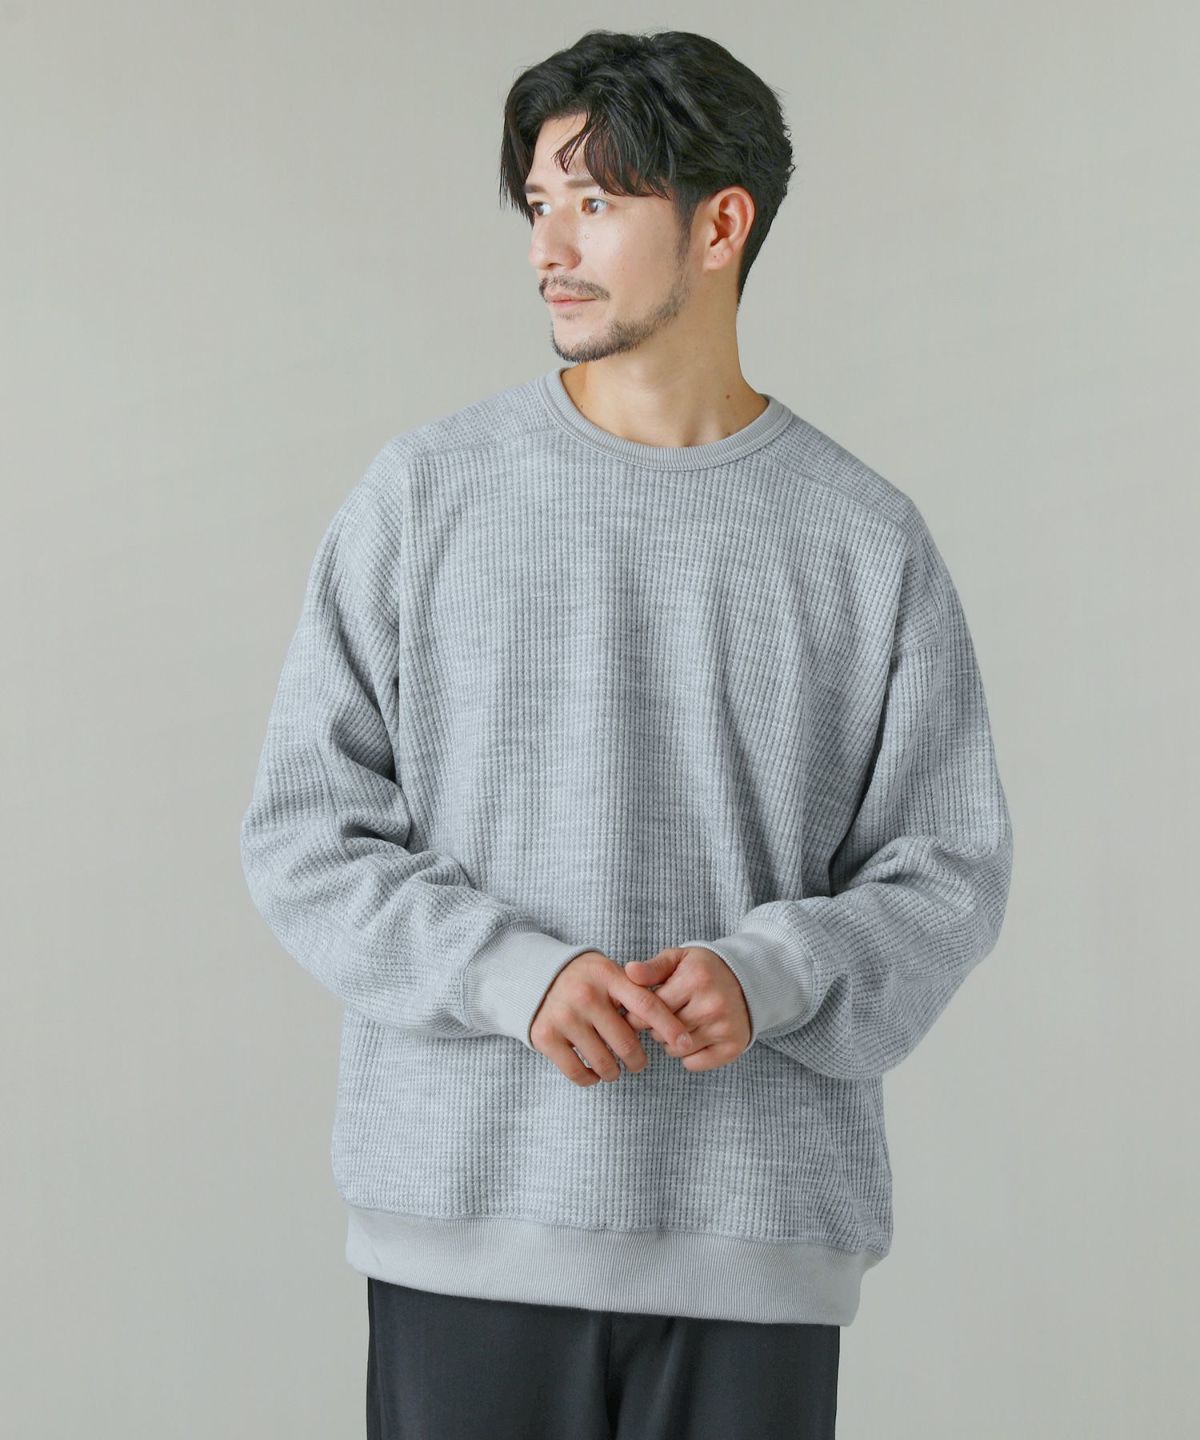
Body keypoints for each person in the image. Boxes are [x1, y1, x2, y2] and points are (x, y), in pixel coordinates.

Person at [239, 27, 1014, 1440]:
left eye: (595, 202)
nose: (551, 247)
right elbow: (303, 836)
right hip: (468, 1218)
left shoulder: (864, 538)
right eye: (540, 204)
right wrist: (511, 974)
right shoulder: (425, 496)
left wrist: (773, 973)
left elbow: (948, 872)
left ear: (720, 226)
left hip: (756, 1237)